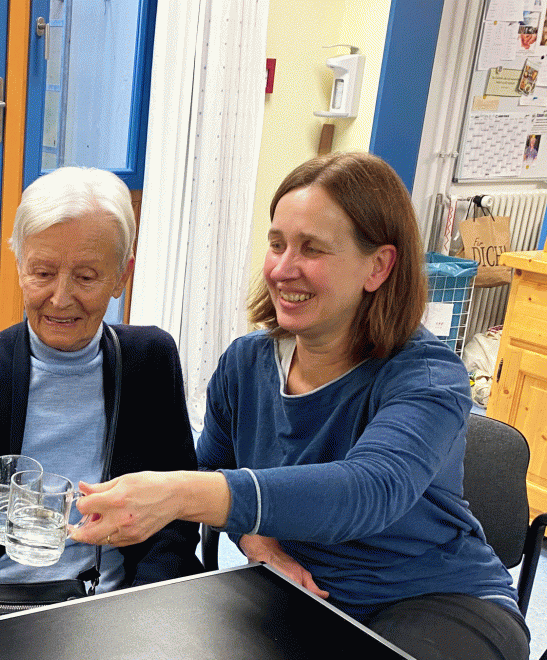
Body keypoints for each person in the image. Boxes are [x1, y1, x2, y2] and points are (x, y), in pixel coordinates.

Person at [70, 152, 530, 660]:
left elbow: (370, 489)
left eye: (311, 249)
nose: (283, 269)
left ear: (378, 266)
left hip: (436, 598)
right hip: (303, 592)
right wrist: (258, 542)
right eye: (276, 244)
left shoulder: (427, 376)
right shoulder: (246, 363)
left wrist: (181, 492)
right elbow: (218, 467)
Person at [0, 166, 202, 638]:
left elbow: (178, 514)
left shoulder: (149, 361)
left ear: (121, 276)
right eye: (43, 273)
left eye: (87, 276)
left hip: (116, 607)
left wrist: (144, 608)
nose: (60, 298)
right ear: (19, 268)